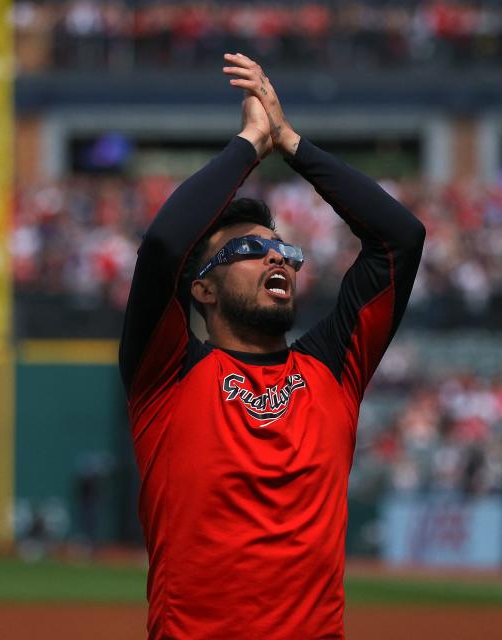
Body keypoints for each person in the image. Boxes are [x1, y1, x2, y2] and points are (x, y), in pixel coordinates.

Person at [119, 53, 425, 638]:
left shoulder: (334, 369)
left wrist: (290, 142)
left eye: (283, 249)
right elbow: (162, 246)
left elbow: (401, 238)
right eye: (248, 251)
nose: (276, 256)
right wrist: (249, 144)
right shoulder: (165, 376)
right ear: (202, 287)